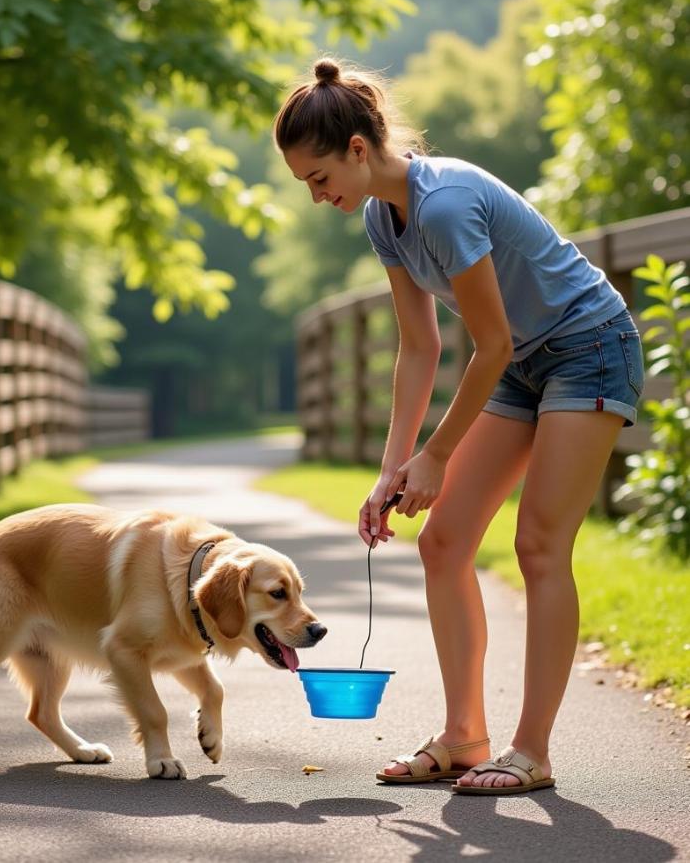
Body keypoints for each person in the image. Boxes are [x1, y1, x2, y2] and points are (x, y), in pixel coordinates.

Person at [273, 58, 644, 795]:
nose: (318, 197)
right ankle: (465, 736)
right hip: (520, 361)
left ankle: (531, 750)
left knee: (538, 543)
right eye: (305, 186)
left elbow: (493, 342)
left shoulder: (442, 204)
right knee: (442, 540)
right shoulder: (385, 217)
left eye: (318, 178)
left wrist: (437, 457)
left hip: (588, 347)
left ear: (355, 148)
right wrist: (394, 467)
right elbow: (421, 347)